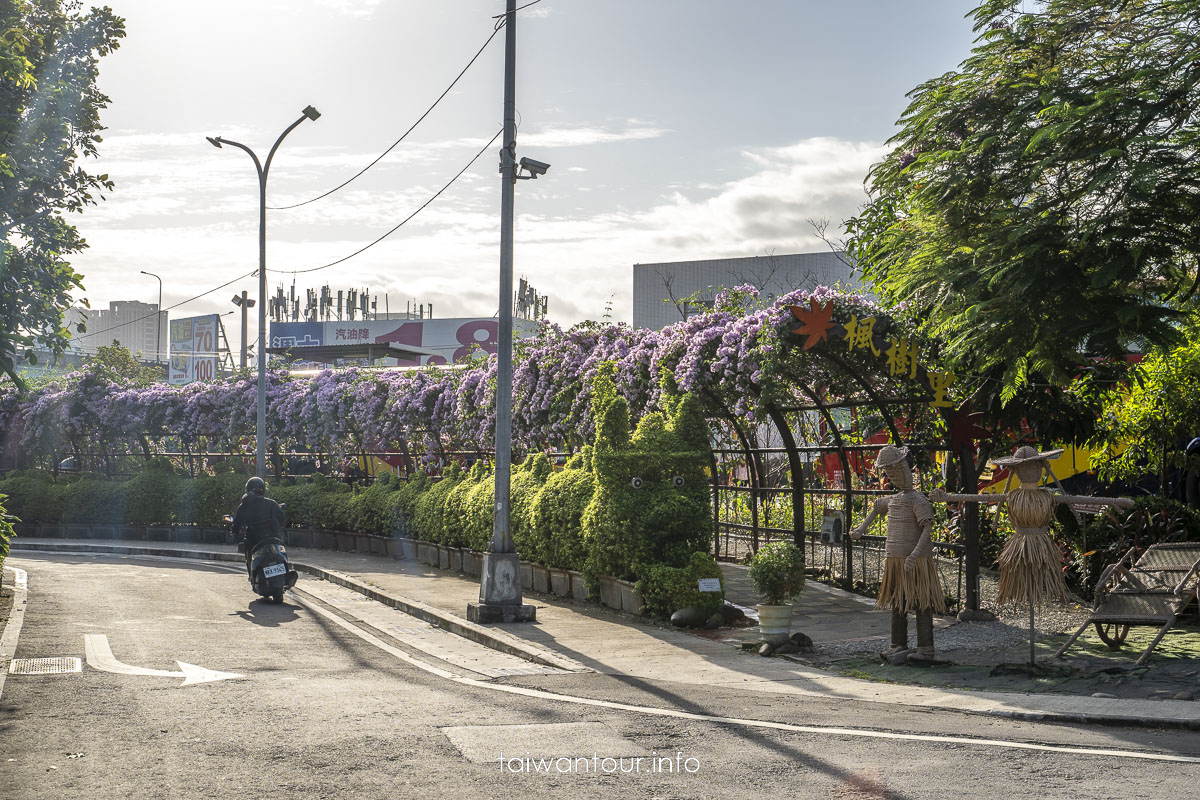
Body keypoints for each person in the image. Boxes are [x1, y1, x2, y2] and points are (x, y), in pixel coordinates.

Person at [850, 444, 945, 662]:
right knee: (897, 601)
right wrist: (859, 531)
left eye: (897, 471)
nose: (894, 476)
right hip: (895, 559)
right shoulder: (893, 500)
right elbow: (875, 509)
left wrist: (915, 554)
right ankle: (898, 644)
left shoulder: (918, 500)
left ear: (907, 468)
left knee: (922, 601)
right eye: (889, 473)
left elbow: (927, 529)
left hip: (916, 560)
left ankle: (925, 648)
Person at [230, 476, 286, 580]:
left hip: (254, 539)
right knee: (281, 550)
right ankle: (285, 570)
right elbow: (282, 519)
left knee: (249, 552)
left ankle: (252, 576)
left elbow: (237, 523)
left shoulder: (244, 506)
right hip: (274, 536)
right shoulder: (272, 503)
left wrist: (235, 532)